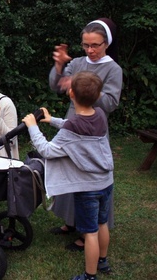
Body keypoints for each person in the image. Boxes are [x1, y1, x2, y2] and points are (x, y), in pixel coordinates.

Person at [23, 71, 114, 280]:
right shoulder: (99, 114)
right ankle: (103, 261)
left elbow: (46, 150)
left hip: (88, 189)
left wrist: (33, 127)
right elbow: (73, 126)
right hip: (106, 182)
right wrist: (51, 120)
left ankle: (90, 276)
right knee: (102, 224)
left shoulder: (73, 127)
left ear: (71, 93)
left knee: (90, 232)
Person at [48, 18, 122, 250]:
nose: (90, 50)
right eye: (86, 45)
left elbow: (109, 103)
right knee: (69, 173)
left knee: (88, 180)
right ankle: (71, 222)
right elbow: (56, 85)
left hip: (92, 131)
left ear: (106, 43)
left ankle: (87, 231)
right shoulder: (79, 62)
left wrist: (83, 88)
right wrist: (59, 66)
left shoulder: (113, 69)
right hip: (72, 125)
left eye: (95, 45)